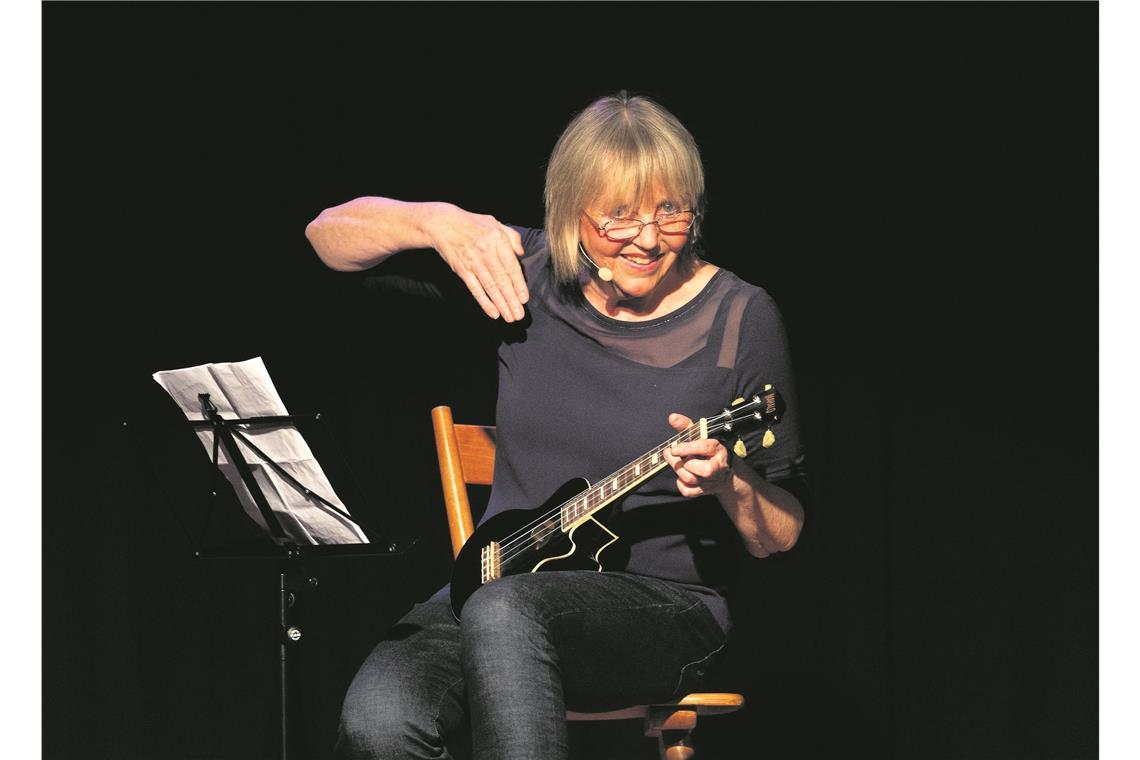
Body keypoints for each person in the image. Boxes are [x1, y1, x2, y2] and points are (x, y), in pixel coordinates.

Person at [306, 91, 808, 760]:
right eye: (619, 217)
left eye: (670, 211)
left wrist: (730, 483)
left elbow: (782, 534)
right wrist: (436, 222)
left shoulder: (741, 318)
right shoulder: (526, 276)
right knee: (379, 721)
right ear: (574, 214)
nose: (649, 238)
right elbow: (326, 238)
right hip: (494, 579)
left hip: (666, 610)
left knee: (507, 613)